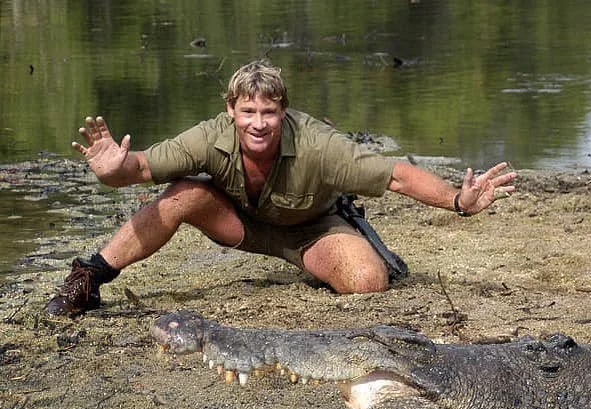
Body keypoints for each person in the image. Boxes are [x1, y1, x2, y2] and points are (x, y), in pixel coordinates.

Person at [45, 59, 517, 316]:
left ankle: (342, 254)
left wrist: (458, 200)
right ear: (230, 109)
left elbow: (395, 173)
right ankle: (88, 280)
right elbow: (142, 167)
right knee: (182, 193)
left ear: (283, 111)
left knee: (369, 283)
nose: (258, 123)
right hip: (241, 223)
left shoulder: (319, 145)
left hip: (311, 230)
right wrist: (111, 169)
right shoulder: (210, 135)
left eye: (268, 112)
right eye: (248, 112)